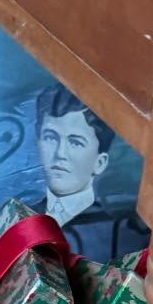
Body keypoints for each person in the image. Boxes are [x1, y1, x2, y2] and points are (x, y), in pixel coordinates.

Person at [34, 88, 111, 231]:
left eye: (75, 142)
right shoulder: (20, 218)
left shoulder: (111, 231)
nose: (60, 153)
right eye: (50, 137)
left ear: (100, 163)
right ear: (38, 143)